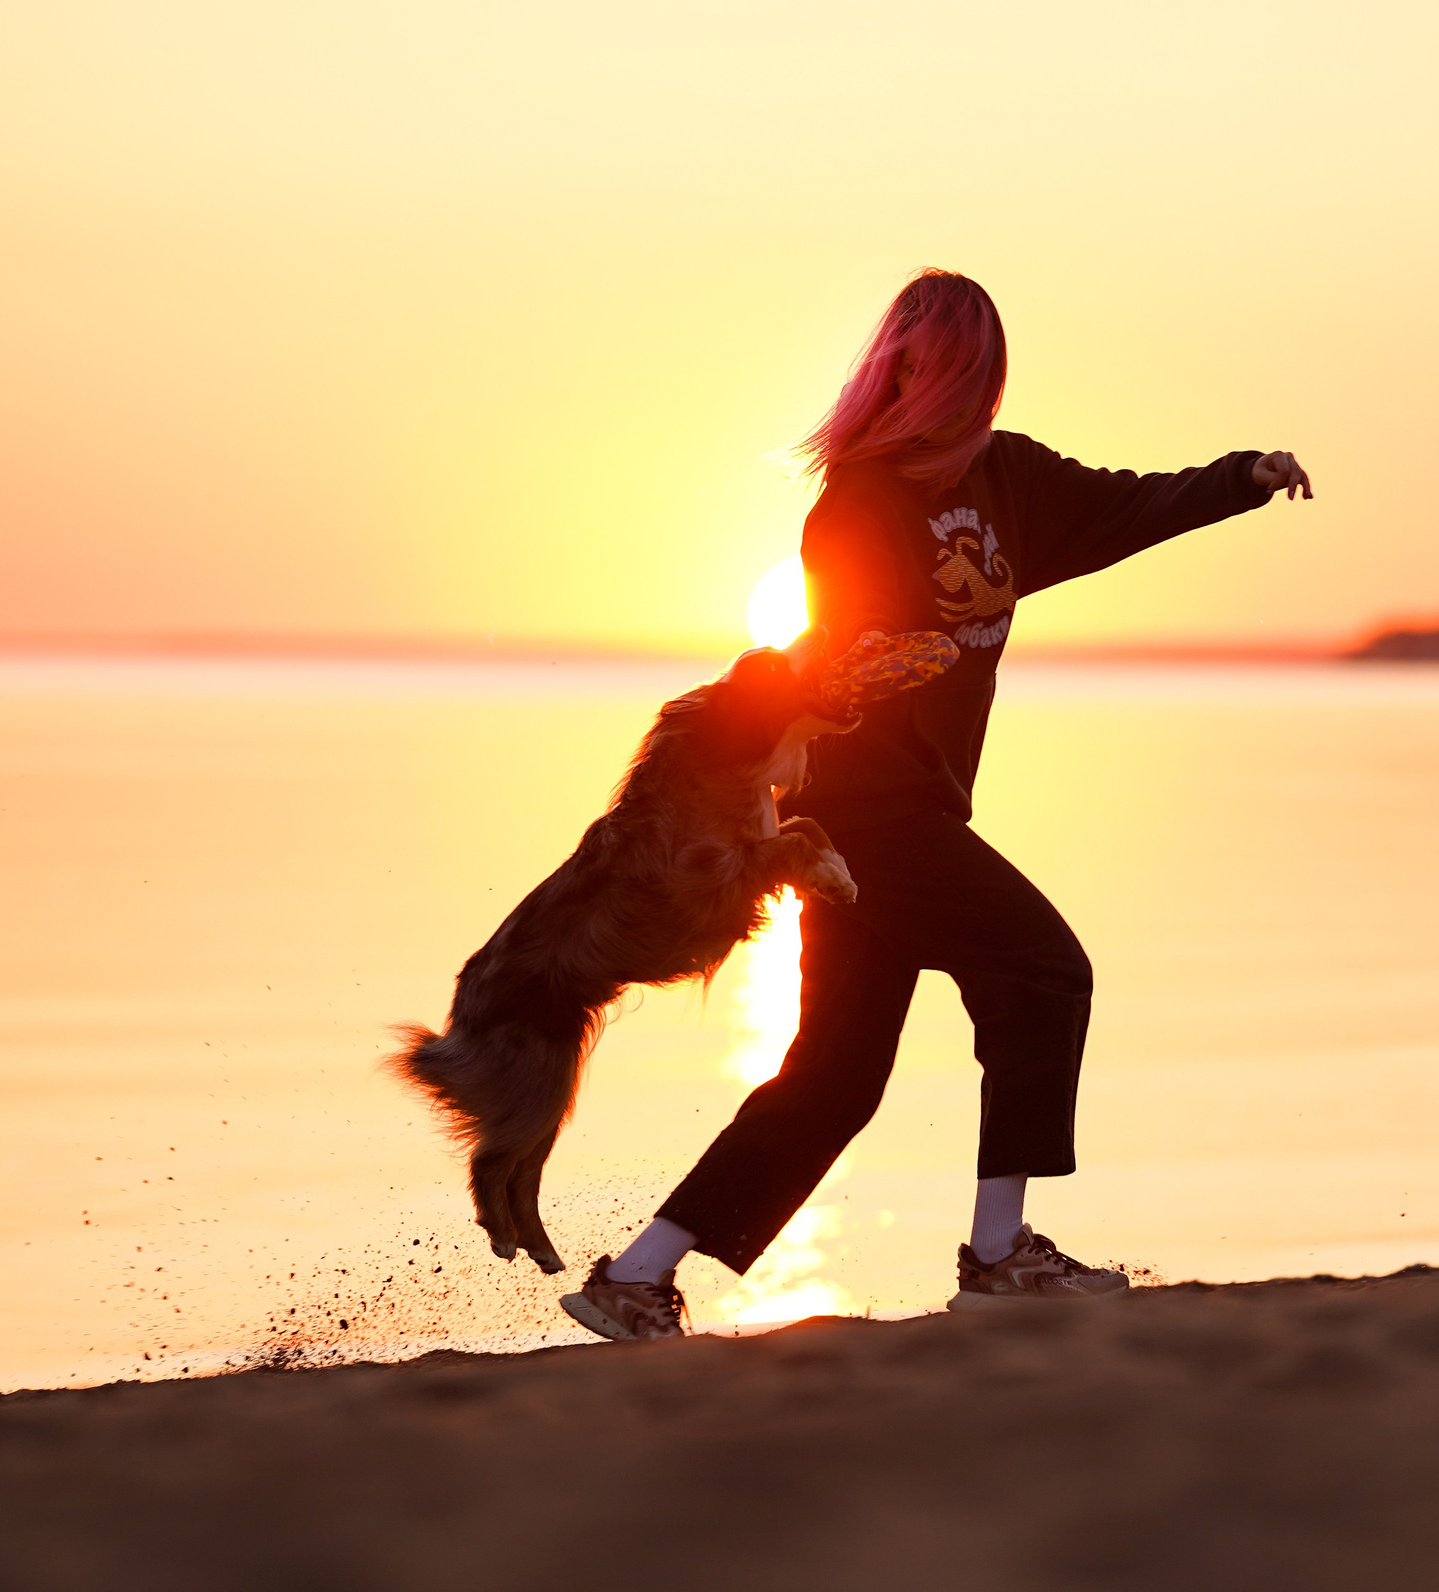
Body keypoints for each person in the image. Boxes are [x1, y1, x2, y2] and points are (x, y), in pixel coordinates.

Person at [559, 269, 1314, 1342]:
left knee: (833, 1080)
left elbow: (1123, 503)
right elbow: (842, 653)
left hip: (912, 817)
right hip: (871, 815)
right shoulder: (858, 507)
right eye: (923, 368)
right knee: (1043, 971)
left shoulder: (1011, 480)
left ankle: (636, 1277)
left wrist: (1240, 477)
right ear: (900, 374)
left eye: (965, 372)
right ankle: (1000, 1255)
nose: (947, 391)